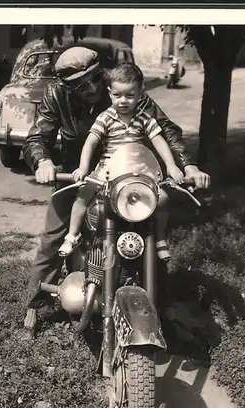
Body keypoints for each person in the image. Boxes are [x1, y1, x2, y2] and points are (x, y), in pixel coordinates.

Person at [22, 46, 210, 337]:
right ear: (67, 86)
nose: (93, 88)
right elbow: (38, 136)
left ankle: (160, 302)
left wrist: (189, 166)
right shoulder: (55, 95)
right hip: (78, 175)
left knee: (148, 231)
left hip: (126, 178)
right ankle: (35, 304)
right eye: (82, 85)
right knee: (53, 237)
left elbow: (166, 130)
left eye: (96, 78)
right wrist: (43, 160)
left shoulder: (126, 91)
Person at [58, 63, 185, 261]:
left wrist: (172, 166)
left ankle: (160, 239)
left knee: (162, 199)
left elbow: (159, 141)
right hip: (109, 170)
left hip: (139, 171)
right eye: (118, 95)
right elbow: (91, 142)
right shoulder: (106, 117)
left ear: (141, 93)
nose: (123, 101)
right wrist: (84, 167)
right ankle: (72, 235)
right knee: (83, 195)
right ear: (109, 93)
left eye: (130, 95)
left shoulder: (144, 118)